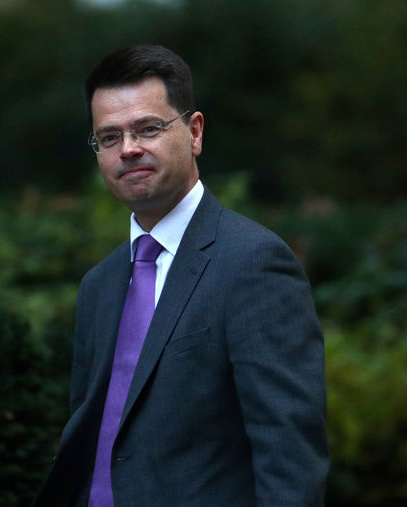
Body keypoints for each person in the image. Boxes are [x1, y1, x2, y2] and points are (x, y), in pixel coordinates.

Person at [34, 45, 328, 506]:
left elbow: (288, 451)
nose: (128, 149)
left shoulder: (253, 263)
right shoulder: (99, 285)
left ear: (194, 133)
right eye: (109, 138)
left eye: (147, 128)